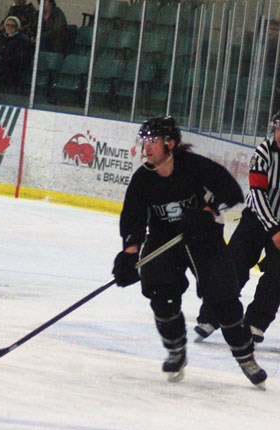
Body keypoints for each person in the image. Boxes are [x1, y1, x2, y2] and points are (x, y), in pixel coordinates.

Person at [111, 116, 267, 389]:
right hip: (163, 241)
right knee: (160, 293)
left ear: (170, 144)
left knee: (224, 299)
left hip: (203, 240)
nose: (145, 148)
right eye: (144, 141)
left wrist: (207, 212)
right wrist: (129, 253)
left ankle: (245, 356)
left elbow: (231, 191)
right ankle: (175, 350)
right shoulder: (142, 180)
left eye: (152, 142)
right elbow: (133, 219)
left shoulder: (194, 167)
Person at [195, 107, 280, 344]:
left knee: (277, 276)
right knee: (233, 264)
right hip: (257, 220)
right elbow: (257, 193)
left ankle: (255, 323)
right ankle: (211, 315)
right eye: (278, 127)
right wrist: (273, 230)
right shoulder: (264, 151)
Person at [0, 16, 32, 94]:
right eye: (8, 25)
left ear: (17, 28)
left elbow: (20, 58)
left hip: (12, 75)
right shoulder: (0, 39)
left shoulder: (21, 41)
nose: (9, 27)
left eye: (13, 26)